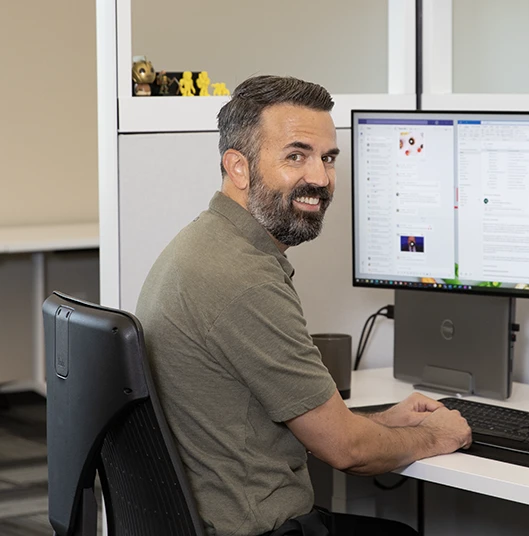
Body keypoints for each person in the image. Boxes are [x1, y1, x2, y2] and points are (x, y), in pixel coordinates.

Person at [135, 75, 472, 536]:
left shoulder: (204, 243)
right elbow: (347, 451)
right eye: (296, 156)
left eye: (327, 158)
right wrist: (436, 435)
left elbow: (298, 423)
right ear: (238, 167)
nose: (320, 178)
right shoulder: (243, 280)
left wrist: (382, 423)